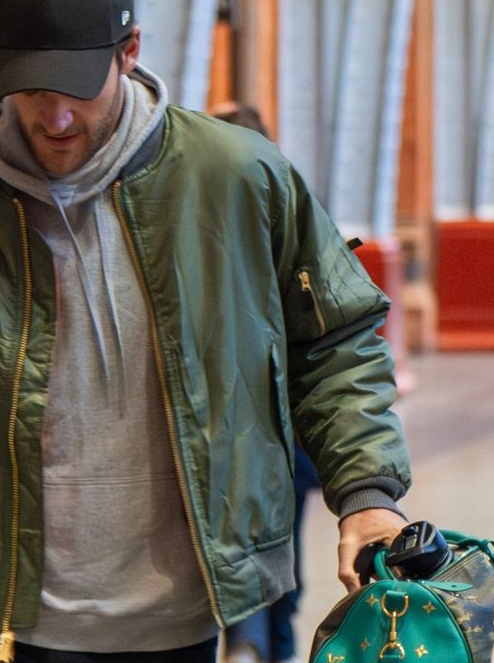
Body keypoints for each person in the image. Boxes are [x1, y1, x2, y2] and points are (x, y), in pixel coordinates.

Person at [0, 0, 411, 662]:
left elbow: (335, 343)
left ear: (129, 53)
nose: (56, 115)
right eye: (33, 88)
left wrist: (367, 493)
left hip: (176, 625)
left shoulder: (235, 179)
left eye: (76, 86)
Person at [208, 102, 322, 663]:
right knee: (271, 573)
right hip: (250, 447)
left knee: (272, 572)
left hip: (276, 447)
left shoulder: (290, 230)